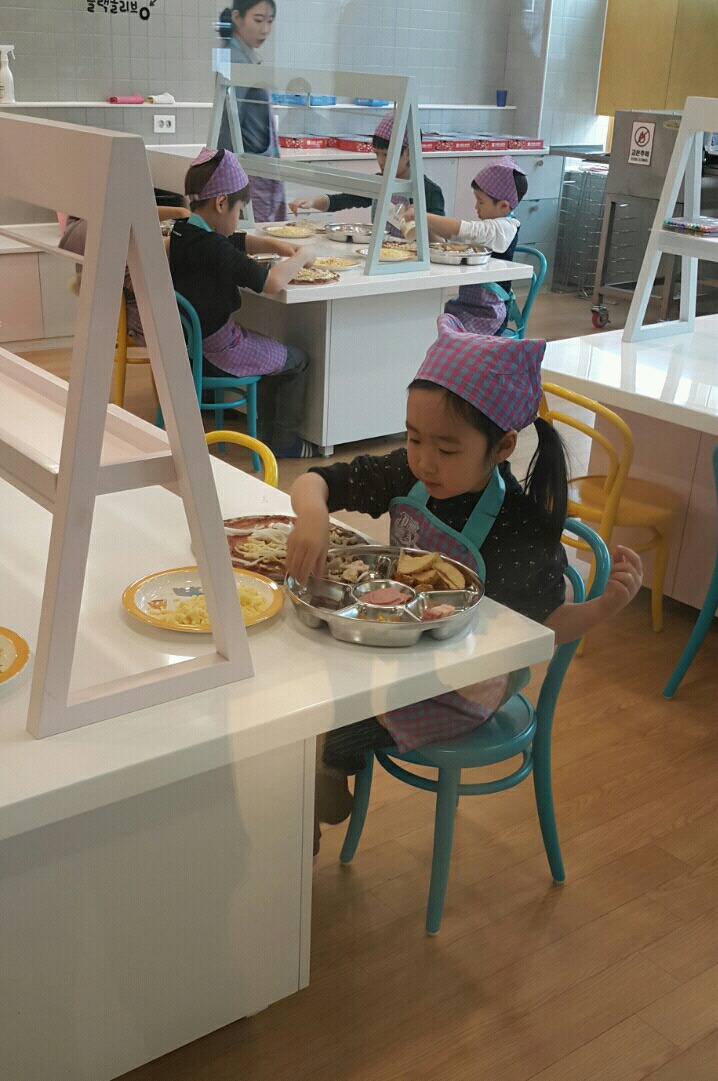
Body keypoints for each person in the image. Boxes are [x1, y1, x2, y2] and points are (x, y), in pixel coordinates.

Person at [286, 315, 643, 838]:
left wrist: (604, 607)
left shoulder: (517, 527)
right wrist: (313, 515)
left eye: (446, 449)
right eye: (413, 439)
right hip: (400, 651)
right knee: (300, 699)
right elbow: (316, 480)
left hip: (461, 684)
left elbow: (545, 625)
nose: (424, 462)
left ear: (502, 447)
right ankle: (300, 817)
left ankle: (320, 794)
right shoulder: (409, 473)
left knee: (338, 725)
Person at [169, 146, 319, 458]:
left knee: (271, 351)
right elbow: (270, 282)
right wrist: (302, 255)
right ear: (221, 202)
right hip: (218, 353)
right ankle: (285, 442)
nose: (239, 220)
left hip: (190, 350)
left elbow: (235, 241)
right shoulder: (212, 247)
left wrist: (276, 245)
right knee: (297, 359)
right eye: (239, 211)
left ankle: (266, 434)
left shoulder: (184, 232)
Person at [405, 155, 526, 334]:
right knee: (430, 319)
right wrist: (426, 226)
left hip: (489, 313)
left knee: (442, 332)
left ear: (503, 206)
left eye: (481, 201)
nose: (476, 207)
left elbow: (466, 230)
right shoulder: (490, 227)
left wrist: (422, 215)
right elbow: (453, 238)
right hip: (466, 306)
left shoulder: (505, 228)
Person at [289, 118, 445, 236]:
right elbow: (342, 200)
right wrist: (311, 202)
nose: (380, 161)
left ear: (408, 153)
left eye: (386, 155)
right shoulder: (379, 182)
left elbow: (440, 241)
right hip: (382, 254)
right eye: (377, 154)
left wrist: (420, 221)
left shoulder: (430, 191)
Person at [59, 205, 190, 345]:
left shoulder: (86, 226)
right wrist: (170, 244)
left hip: (119, 312)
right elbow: (139, 282)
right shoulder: (101, 230)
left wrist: (179, 213)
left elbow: (133, 211)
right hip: (137, 317)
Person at [217, 0, 287, 223]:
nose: (265, 29)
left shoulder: (240, 56)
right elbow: (229, 121)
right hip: (249, 169)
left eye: (270, 21)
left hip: (255, 164)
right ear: (237, 18)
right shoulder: (235, 59)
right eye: (258, 20)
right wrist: (225, 174)